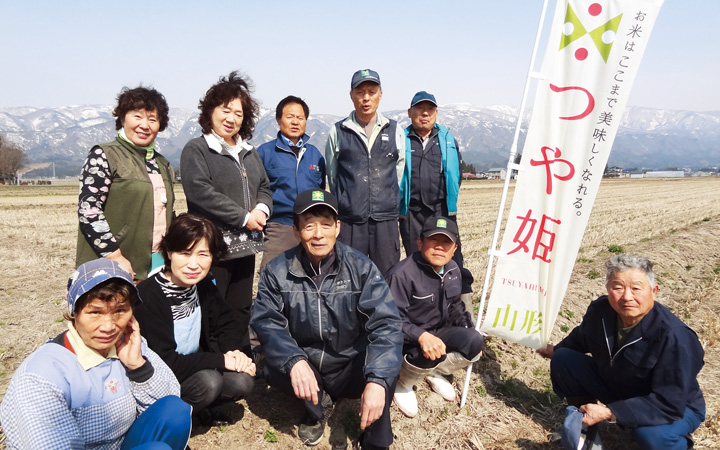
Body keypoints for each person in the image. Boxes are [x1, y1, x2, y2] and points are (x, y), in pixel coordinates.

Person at [250, 189, 403, 449]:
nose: (318, 234)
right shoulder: (276, 272)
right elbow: (267, 322)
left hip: (349, 365)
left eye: (326, 224)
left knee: (385, 365)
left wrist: (378, 382)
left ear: (338, 227)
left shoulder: (361, 267)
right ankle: (316, 410)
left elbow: (386, 324)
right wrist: (294, 361)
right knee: (275, 369)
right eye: (309, 226)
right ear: (297, 232)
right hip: (306, 364)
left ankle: (376, 441)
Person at [0, 259, 190, 449]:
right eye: (95, 313)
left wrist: (138, 367)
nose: (108, 326)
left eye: (120, 311)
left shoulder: (130, 345)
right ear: (74, 312)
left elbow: (164, 405)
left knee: (175, 410)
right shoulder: (43, 376)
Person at [538, 255, 705, 449]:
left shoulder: (675, 337)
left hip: (674, 406)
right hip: (620, 389)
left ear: (654, 291)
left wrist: (610, 412)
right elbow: (580, 339)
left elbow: (669, 402)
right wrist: (554, 350)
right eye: (618, 287)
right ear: (608, 289)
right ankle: (584, 428)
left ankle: (678, 443)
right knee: (564, 358)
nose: (626, 296)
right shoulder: (601, 311)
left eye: (636, 288)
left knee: (650, 435)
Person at [135, 213, 256, 426]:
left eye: (203, 254)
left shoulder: (202, 285)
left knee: (242, 381)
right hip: (160, 377)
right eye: (185, 253)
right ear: (169, 252)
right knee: (209, 382)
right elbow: (165, 361)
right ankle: (168, 421)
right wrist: (221, 361)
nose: (194, 264)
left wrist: (234, 354)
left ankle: (196, 410)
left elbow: (226, 321)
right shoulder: (149, 296)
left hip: (192, 367)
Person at [180, 71, 272, 350]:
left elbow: (265, 186)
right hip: (213, 246)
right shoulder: (197, 149)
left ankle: (238, 359)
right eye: (225, 110)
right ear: (211, 111)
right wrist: (244, 217)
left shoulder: (248, 151)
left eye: (239, 113)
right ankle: (212, 362)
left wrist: (261, 210)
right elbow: (201, 192)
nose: (231, 118)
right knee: (212, 307)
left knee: (241, 306)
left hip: (246, 246)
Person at [385, 216, 484, 418]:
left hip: (437, 332)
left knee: (474, 341)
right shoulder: (402, 274)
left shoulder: (453, 270)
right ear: (420, 242)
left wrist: (470, 331)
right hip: (405, 341)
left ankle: (434, 371)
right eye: (433, 240)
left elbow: (456, 306)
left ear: (454, 248)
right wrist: (421, 336)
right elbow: (390, 320)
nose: (440, 247)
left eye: (446, 242)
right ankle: (404, 382)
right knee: (427, 350)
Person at [76, 86, 174, 281]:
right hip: (112, 264)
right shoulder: (104, 154)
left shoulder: (162, 163)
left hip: (157, 263)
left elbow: (168, 213)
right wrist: (116, 256)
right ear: (122, 118)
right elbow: (89, 211)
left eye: (152, 119)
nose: (145, 125)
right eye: (137, 116)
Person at [325, 69, 405, 275]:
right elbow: (333, 177)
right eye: (360, 92)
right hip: (351, 220)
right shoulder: (338, 131)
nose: (366, 97)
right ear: (351, 96)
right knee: (350, 275)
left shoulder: (394, 130)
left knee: (387, 276)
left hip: (385, 219)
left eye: (372, 91)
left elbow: (399, 173)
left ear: (380, 94)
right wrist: (347, 200)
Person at [399, 91, 474, 307]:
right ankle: (423, 311)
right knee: (416, 261)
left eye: (430, 109)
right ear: (409, 112)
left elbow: (456, 174)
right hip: (412, 212)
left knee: (453, 260)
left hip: (441, 210)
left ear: (436, 113)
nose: (425, 113)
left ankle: (462, 311)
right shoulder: (401, 139)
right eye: (420, 109)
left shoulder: (447, 139)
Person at [257, 95, 325, 271]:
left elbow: (321, 190)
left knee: (311, 275)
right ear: (278, 120)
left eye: (300, 118)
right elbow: (256, 190)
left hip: (310, 226)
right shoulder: (265, 152)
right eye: (290, 117)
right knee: (272, 275)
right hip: (279, 226)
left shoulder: (315, 154)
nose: (295, 122)